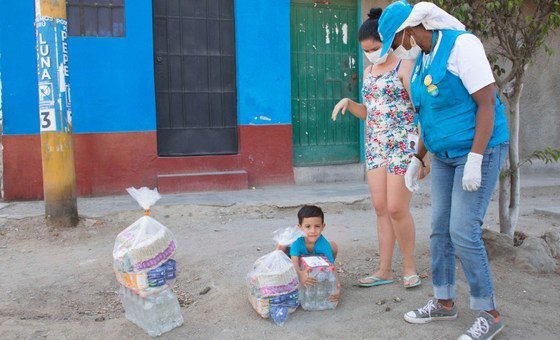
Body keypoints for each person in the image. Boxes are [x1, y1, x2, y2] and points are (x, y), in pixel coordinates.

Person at [377, 1, 510, 339]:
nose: (396, 51)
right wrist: (417, 158)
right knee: (439, 230)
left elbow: (485, 103)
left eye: (394, 43)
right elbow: (429, 115)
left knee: (463, 231)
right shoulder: (422, 59)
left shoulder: (463, 46)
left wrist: (477, 158)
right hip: (444, 154)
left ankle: (489, 313)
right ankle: (444, 301)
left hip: (479, 148)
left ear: (409, 30)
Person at [331, 8, 425, 289]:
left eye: (375, 47)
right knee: (381, 207)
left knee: (397, 208)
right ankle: (384, 270)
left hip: (403, 146)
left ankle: (409, 268)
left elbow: (420, 110)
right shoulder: (369, 72)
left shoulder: (405, 65)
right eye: (366, 50)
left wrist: (423, 156)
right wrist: (350, 103)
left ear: (387, 39)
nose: (371, 53)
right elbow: (370, 111)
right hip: (376, 146)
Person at [289, 205, 340, 302]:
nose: (313, 231)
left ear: (323, 227)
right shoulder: (297, 241)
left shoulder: (323, 244)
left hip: (314, 264)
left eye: (317, 226)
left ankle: (322, 273)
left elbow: (332, 266)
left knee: (333, 246)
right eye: (308, 227)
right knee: (282, 248)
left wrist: (337, 287)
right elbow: (294, 263)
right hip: (297, 262)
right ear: (300, 228)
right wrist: (301, 275)